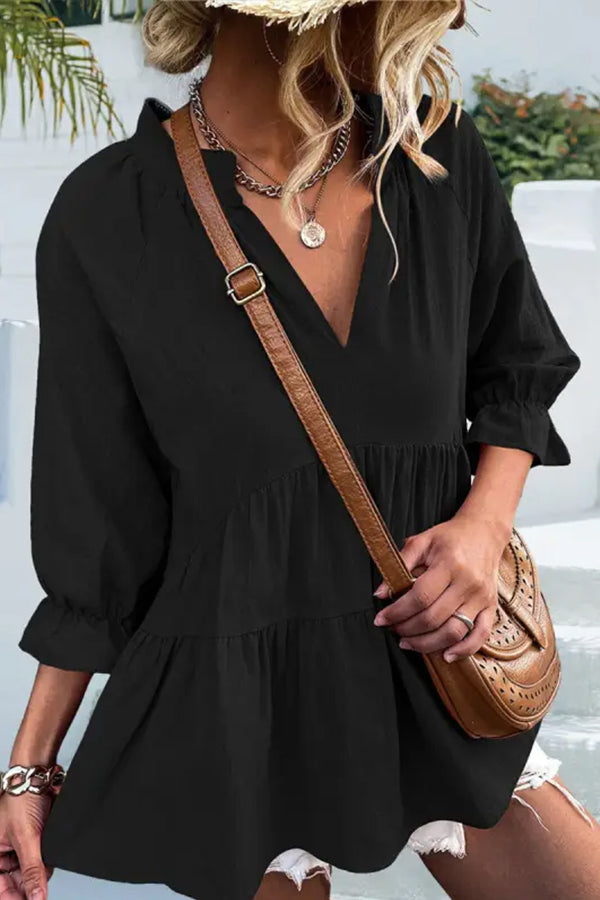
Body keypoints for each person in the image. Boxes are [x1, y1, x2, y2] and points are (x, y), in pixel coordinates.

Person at [1, 2, 598, 899]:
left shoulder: (430, 157)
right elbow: (101, 528)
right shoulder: (110, 214)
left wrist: (483, 525)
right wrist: (29, 769)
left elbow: (515, 365)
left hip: (430, 668)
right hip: (238, 696)